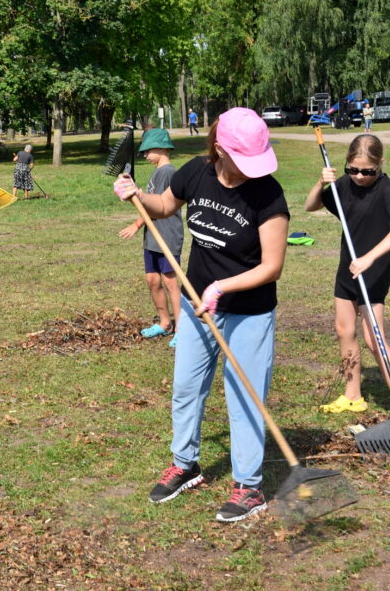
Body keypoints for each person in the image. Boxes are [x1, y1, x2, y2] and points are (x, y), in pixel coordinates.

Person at [114, 107, 289, 523]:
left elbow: (272, 266)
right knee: (186, 388)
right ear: (220, 150)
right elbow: (164, 206)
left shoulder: (269, 195)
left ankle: (249, 486)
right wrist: (136, 195)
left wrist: (222, 287)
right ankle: (185, 464)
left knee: (244, 396)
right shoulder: (196, 172)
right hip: (197, 306)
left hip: (248, 311)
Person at [305, 135, 390, 414]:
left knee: (373, 338)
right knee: (344, 330)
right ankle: (352, 395)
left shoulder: (386, 189)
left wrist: (369, 257)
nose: (360, 176)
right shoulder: (345, 184)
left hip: (373, 270)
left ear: (380, 164)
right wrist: (321, 183)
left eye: (367, 171)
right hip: (348, 268)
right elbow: (311, 206)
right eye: (353, 169)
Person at [118, 129, 183, 347]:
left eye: (148, 150)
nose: (145, 155)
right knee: (152, 280)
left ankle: (181, 329)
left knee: (170, 281)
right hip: (152, 236)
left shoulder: (168, 173)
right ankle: (165, 323)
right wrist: (132, 192)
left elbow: (161, 205)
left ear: (163, 148)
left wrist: (136, 224)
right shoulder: (157, 172)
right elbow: (148, 203)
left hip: (167, 235)